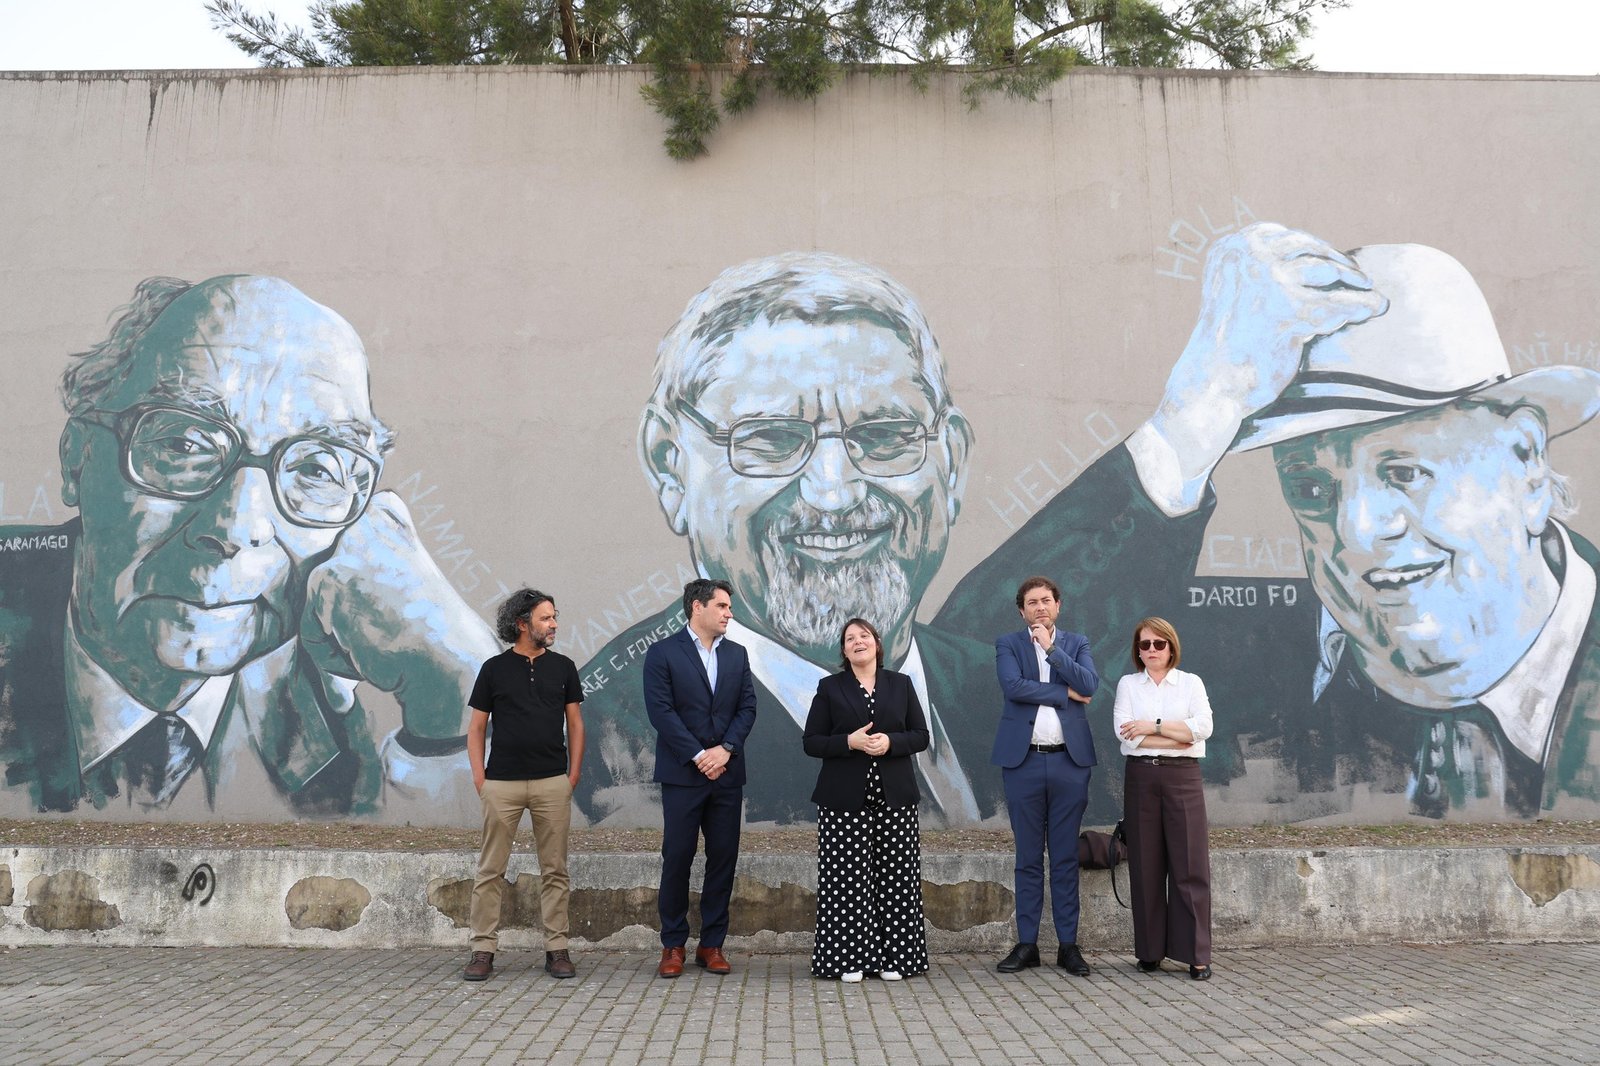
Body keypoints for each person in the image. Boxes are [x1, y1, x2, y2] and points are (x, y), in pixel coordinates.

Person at [939, 223, 1600, 822]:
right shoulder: (1230, 681)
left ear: (1526, 461)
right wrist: (1195, 418)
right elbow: (965, 697)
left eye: (1405, 472)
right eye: (1312, 488)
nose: (1359, 533)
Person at [0, 274, 499, 817]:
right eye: (184, 443)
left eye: (315, 467)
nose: (238, 526)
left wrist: (455, 704)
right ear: (77, 460)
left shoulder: (349, 695)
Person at [576, 252, 998, 827]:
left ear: (952, 463)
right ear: (671, 468)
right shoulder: (611, 742)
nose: (835, 494)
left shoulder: (1007, 693)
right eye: (771, 440)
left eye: (884, 435)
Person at [463, 589, 585, 982]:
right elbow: (477, 727)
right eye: (546, 618)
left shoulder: (564, 667)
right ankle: (482, 951)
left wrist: (573, 776)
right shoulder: (494, 669)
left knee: (555, 870)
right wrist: (480, 778)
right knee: (490, 870)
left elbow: (576, 725)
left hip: (552, 782)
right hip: (501, 784)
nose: (554, 625)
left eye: (554, 617)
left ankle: (557, 949)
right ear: (522, 623)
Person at [803, 618, 931, 982]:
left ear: (877, 644)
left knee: (898, 877)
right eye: (849, 639)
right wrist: (849, 742)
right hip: (843, 800)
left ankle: (895, 959)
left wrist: (891, 742)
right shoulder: (830, 688)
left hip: (896, 799)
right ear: (843, 651)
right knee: (847, 880)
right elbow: (812, 741)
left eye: (864, 636)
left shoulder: (901, 684)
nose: (858, 642)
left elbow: (920, 735)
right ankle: (849, 960)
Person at [646, 578, 758, 978]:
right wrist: (698, 755)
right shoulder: (662, 654)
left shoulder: (738, 655)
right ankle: (672, 944)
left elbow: (747, 708)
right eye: (723, 606)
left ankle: (711, 944)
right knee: (677, 857)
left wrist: (725, 750)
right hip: (683, 775)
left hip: (727, 774)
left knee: (723, 858)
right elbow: (662, 713)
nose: (730, 613)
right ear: (698, 606)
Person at [992, 576, 1099, 976]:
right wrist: (1063, 694)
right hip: (1023, 762)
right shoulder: (1009, 643)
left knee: (1066, 856)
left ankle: (1068, 945)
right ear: (1021, 610)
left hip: (1070, 763)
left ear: (1058, 606)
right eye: (1031, 602)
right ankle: (1027, 944)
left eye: (1046, 601)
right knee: (1028, 856)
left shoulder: (1076, 643)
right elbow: (1012, 686)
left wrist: (1052, 650)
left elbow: (1089, 683)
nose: (1039, 607)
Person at [1113, 617, 1214, 980]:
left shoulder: (1190, 683)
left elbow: (1202, 730)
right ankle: (1150, 952)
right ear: (1137, 651)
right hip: (1140, 777)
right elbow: (1126, 736)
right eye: (1145, 645)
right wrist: (1177, 735)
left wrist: (1152, 727)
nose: (1152, 651)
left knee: (1190, 865)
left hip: (1182, 777)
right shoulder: (1128, 684)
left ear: (1171, 645)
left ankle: (1196, 954)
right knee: (1145, 866)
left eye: (1159, 644)